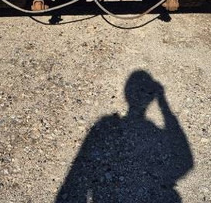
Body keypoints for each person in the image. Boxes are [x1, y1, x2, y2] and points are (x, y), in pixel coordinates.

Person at [56, 70, 193, 202]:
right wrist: (163, 103)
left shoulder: (106, 124)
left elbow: (77, 172)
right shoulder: (118, 125)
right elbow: (186, 162)